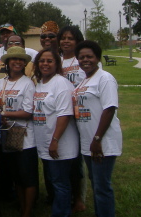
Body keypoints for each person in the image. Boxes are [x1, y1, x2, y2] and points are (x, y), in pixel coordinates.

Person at [74, 40, 122, 217]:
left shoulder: (105, 78)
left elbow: (109, 108)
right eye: (81, 57)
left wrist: (97, 139)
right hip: (88, 142)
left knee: (102, 186)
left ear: (97, 58)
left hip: (102, 142)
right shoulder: (84, 80)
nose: (85, 60)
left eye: (89, 56)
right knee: (95, 182)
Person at [33, 48, 79, 217]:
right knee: (54, 181)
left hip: (59, 145)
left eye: (49, 61)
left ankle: (61, 213)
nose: (45, 64)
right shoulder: (41, 83)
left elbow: (65, 114)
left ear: (57, 64)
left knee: (60, 183)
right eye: (42, 61)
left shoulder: (61, 83)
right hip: (46, 143)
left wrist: (55, 140)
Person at [0, 47, 37, 217]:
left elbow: (28, 112)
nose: (18, 62)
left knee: (27, 177)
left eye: (21, 60)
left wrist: (4, 114)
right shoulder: (1, 83)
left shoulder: (27, 83)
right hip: (7, 135)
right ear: (7, 62)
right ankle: (21, 206)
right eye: (14, 59)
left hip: (25, 137)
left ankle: (27, 211)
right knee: (17, 177)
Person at [58, 25, 87, 212]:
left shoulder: (82, 60)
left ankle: (79, 198)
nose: (66, 41)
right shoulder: (57, 61)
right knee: (65, 158)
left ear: (77, 41)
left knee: (77, 159)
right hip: (62, 115)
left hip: (79, 115)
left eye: (70, 38)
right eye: (63, 38)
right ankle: (63, 195)